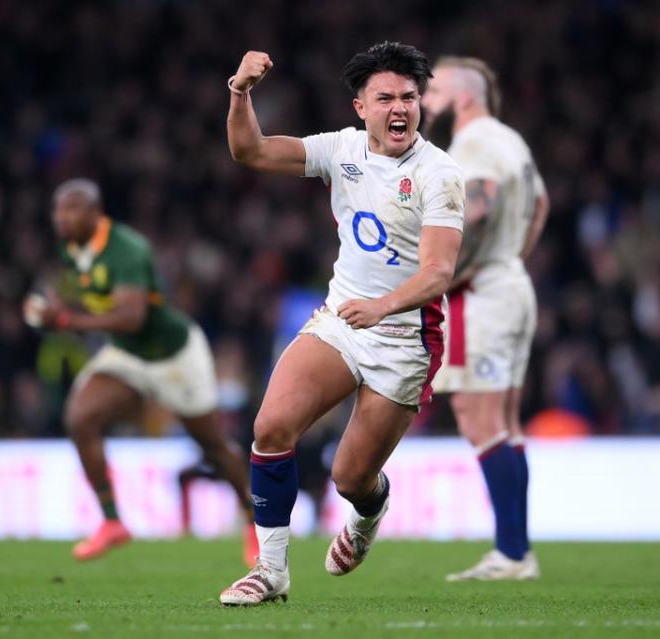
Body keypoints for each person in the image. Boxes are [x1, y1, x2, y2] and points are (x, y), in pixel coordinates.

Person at [218, 42, 464, 606]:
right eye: (385, 98)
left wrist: (382, 307)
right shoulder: (341, 149)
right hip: (342, 321)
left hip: (405, 338)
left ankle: (368, 511)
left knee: (350, 478)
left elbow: (439, 272)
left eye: (408, 97)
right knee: (271, 427)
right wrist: (239, 92)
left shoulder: (439, 174)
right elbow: (249, 152)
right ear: (360, 107)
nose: (399, 108)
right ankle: (271, 571)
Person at [22, 178, 258, 565]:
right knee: (80, 418)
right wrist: (47, 310)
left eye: (72, 209)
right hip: (129, 355)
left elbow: (131, 317)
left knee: (213, 446)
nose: (61, 218)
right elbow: (96, 303)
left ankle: (253, 521)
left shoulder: (127, 249)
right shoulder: (71, 250)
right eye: (58, 210)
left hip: (174, 355)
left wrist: (63, 319)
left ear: (96, 213)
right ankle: (113, 522)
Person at [422, 57, 550, 581]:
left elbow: (476, 208)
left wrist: (450, 272)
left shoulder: (472, 144)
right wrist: (510, 257)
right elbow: (540, 206)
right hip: (513, 283)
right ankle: (517, 551)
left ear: (464, 97)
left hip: (481, 296)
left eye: (433, 93)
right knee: (507, 423)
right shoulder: (511, 140)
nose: (425, 103)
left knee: (480, 420)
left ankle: (512, 554)